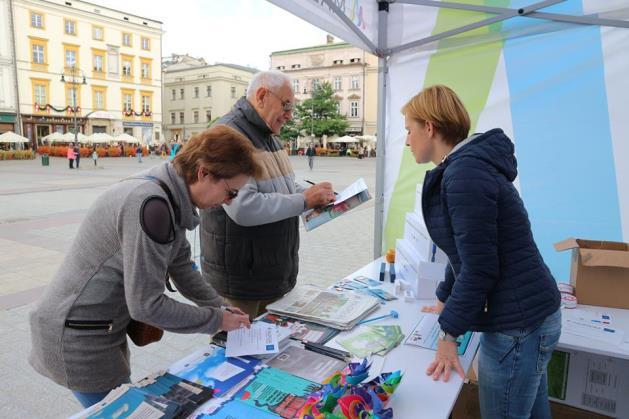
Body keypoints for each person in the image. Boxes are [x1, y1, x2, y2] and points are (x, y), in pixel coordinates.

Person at [29, 125, 258, 408]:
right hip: (78, 337)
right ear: (203, 173)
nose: (228, 202)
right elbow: (146, 306)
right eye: (231, 192)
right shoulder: (152, 205)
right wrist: (216, 320)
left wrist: (218, 306)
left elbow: (182, 265)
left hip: (95, 328)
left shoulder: (167, 191)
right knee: (122, 412)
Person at [402, 85, 561, 418]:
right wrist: (446, 297)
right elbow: (464, 248)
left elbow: (479, 267)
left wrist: (449, 334)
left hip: (517, 325)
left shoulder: (464, 175)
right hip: (530, 316)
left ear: (429, 127)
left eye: (409, 130)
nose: (407, 141)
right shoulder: (467, 166)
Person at [200, 70, 335, 319]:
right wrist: (304, 200)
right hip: (242, 283)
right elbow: (244, 207)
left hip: (269, 275)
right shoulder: (229, 135)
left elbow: (283, 186)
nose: (289, 115)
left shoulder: (268, 135)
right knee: (236, 353)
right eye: (286, 105)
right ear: (262, 96)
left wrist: (312, 195)